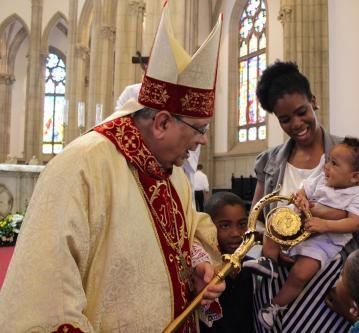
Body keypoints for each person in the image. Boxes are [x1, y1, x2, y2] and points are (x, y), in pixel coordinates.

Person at [0, 2, 225, 332]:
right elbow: (46, 291)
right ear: (162, 122)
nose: (202, 141)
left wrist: (199, 265)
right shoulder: (82, 166)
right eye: (198, 129)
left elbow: (187, 235)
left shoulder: (174, 174)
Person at [249, 60, 359, 333]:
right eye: (285, 119)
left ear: (314, 101)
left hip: (336, 281)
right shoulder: (270, 161)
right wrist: (273, 240)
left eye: (302, 112)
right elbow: (258, 219)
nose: (297, 124)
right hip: (282, 278)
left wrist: (336, 217)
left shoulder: (351, 155)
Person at [246, 137, 359, 329]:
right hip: (298, 226)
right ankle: (268, 262)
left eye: (334, 163)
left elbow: (353, 223)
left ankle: (275, 305)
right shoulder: (321, 181)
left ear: (355, 176)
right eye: (328, 160)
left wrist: (325, 224)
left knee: (300, 274)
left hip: (323, 241)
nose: (326, 167)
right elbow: (301, 191)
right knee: (273, 223)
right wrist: (300, 199)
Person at [200, 191, 256, 333]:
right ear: (208, 227)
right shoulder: (203, 272)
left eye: (242, 224)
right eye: (225, 226)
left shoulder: (252, 267)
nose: (235, 233)